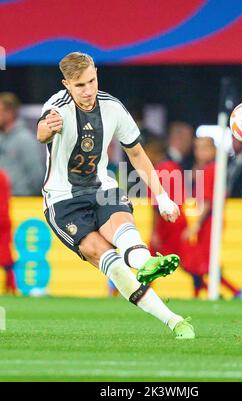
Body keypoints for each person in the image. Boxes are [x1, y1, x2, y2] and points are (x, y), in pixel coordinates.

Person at [36, 52, 195, 339]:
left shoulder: (112, 107)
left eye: (92, 81)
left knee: (125, 229)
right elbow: (42, 131)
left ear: (97, 74)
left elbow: (137, 154)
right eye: (79, 85)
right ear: (66, 84)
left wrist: (162, 197)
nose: (88, 90)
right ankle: (174, 320)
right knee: (110, 260)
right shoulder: (57, 107)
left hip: (101, 188)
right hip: (63, 201)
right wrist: (47, 129)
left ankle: (145, 263)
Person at [182, 136, 242, 299]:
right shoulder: (211, 169)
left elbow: (206, 200)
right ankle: (200, 293)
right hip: (212, 219)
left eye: (204, 148)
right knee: (200, 262)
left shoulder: (210, 170)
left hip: (209, 221)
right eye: (197, 148)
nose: (200, 152)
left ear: (214, 150)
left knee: (205, 263)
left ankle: (236, 291)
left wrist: (196, 223)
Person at [144, 135, 188, 258]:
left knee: (148, 260)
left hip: (166, 224)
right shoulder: (174, 167)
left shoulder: (158, 171)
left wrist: (154, 232)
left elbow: (156, 206)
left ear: (151, 151)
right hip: (179, 220)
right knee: (186, 262)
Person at [0, 92, 45, 195]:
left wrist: (26, 195)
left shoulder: (25, 139)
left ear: (10, 112)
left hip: (21, 202)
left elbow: (36, 174)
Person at [0, 170, 17, 295]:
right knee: (5, 252)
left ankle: (10, 285)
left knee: (5, 253)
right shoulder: (3, 176)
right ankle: (11, 286)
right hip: (4, 219)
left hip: (3, 219)